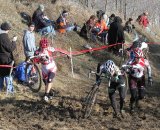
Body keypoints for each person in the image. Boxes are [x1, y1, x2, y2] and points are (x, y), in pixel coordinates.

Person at [34, 38, 69, 102]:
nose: (44, 49)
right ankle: (51, 93)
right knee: (46, 83)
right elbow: (35, 61)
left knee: (49, 80)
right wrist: (40, 59)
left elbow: (58, 50)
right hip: (44, 69)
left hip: (52, 67)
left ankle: (46, 95)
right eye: (43, 47)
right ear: (40, 46)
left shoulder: (49, 49)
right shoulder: (37, 52)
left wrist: (67, 53)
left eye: (45, 47)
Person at [123, 48, 152, 114]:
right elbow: (124, 67)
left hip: (141, 78)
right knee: (133, 95)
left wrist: (150, 77)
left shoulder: (144, 61)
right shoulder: (130, 61)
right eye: (137, 57)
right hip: (133, 78)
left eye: (140, 57)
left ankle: (137, 100)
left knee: (141, 95)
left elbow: (149, 68)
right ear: (134, 56)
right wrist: (127, 70)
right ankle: (131, 107)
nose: (138, 59)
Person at [0, 22, 17, 91]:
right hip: (5, 59)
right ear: (6, 29)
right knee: (8, 74)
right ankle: (9, 90)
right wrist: (14, 41)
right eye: (8, 29)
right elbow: (10, 48)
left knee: (1, 74)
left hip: (1, 58)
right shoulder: (4, 36)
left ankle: (0, 88)